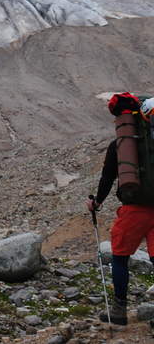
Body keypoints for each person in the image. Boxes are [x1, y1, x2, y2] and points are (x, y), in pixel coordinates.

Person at [88, 92, 154, 325]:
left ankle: (119, 310)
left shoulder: (120, 145)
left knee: (120, 258)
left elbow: (107, 178)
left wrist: (96, 202)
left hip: (134, 209)